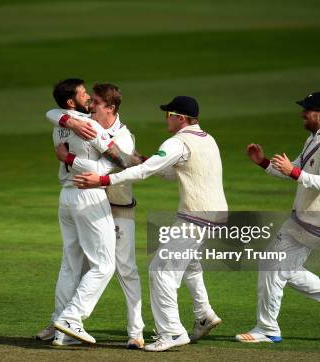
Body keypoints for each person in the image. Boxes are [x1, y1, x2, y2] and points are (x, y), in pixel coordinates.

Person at [75, 96, 226, 352]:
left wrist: (103, 179)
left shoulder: (178, 142)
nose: (165, 118)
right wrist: (148, 161)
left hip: (196, 216)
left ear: (179, 118)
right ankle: (204, 314)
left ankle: (172, 332)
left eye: (168, 115)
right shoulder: (207, 138)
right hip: (216, 214)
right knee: (188, 265)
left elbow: (144, 173)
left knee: (161, 270)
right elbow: (173, 172)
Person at [236, 92, 320, 343]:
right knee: (285, 270)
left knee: (271, 265)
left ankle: (268, 329)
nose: (303, 113)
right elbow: (292, 169)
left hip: (311, 222)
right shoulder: (314, 139)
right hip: (304, 220)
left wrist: (294, 172)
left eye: (308, 110)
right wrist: (263, 162)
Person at [35, 79, 138, 346]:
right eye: (84, 95)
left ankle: (61, 332)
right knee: (104, 265)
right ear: (72, 102)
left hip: (66, 197)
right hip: (89, 196)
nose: (90, 100)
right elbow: (121, 160)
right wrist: (136, 160)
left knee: (70, 265)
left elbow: (52, 113)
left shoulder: (59, 127)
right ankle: (72, 318)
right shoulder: (90, 125)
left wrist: (69, 159)